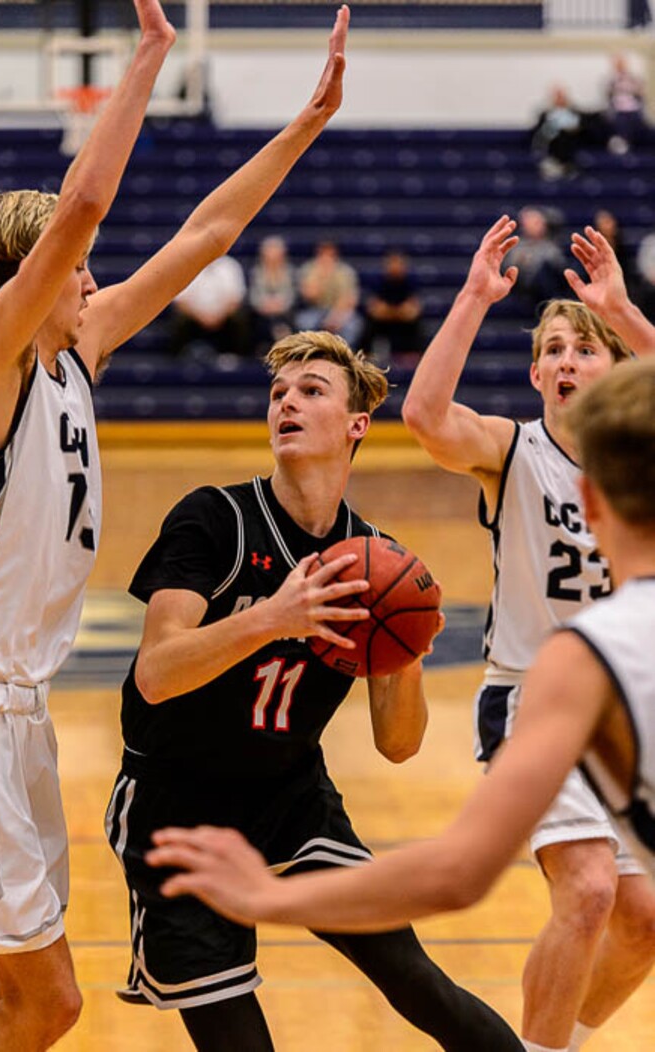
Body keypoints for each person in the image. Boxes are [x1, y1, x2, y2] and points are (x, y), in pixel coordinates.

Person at [147, 226, 655, 1052]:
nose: (568, 361)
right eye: (553, 349)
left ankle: (564, 1042)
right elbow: (423, 414)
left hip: (628, 699)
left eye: (586, 350)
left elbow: (411, 771)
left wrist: (625, 314)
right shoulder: (513, 447)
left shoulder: (637, 463)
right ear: (534, 375)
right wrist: (472, 298)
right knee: (590, 892)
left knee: (639, 922)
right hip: (536, 691)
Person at [0, 3, 353, 1046]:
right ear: (29, 275)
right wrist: (149, 54)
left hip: (18, 713)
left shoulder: (73, 356)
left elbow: (206, 234)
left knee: (24, 997)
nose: (94, 277)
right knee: (46, 1001)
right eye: (73, 264)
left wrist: (304, 125)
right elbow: (86, 201)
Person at [105, 329, 524, 1051]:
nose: (286, 404)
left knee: (418, 980)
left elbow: (397, 745)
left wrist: (409, 642)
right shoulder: (215, 518)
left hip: (292, 799)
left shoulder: (372, 560)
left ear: (357, 424)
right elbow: (156, 672)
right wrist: (275, 618)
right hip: (179, 806)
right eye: (277, 394)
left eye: (310, 391)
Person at [169, 254, 251, 362]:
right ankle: (178, 360)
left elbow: (235, 299)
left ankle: (237, 359)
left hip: (223, 317)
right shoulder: (186, 266)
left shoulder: (230, 266)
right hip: (195, 317)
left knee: (239, 320)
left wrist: (218, 316)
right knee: (179, 321)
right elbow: (181, 302)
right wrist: (201, 317)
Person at [361, 248, 426, 361]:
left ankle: (413, 354)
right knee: (369, 323)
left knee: (417, 324)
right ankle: (366, 353)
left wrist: (391, 311)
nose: (395, 267)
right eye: (392, 263)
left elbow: (413, 310)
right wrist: (396, 312)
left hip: (402, 322)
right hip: (384, 322)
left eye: (398, 263)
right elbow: (374, 308)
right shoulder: (379, 282)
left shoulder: (410, 282)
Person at [296, 239, 362, 346]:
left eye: (330, 254)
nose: (327, 257)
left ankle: (345, 356)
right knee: (304, 322)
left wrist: (334, 318)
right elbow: (309, 296)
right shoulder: (308, 269)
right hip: (315, 310)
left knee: (353, 325)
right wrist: (321, 277)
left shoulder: (345, 271)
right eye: (323, 254)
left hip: (339, 311)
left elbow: (349, 299)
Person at [504, 206, 567, 315]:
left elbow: (559, 266)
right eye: (530, 223)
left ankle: (552, 308)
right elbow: (507, 268)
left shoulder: (551, 246)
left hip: (544, 288)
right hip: (523, 287)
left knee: (546, 274)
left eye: (537, 223)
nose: (534, 227)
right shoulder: (517, 245)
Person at [248, 235, 297, 355]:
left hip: (284, 312)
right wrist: (264, 305)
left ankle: (286, 347)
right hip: (262, 313)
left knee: (284, 320)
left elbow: (292, 295)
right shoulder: (256, 272)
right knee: (262, 322)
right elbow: (253, 296)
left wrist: (280, 304)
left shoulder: (290, 272)